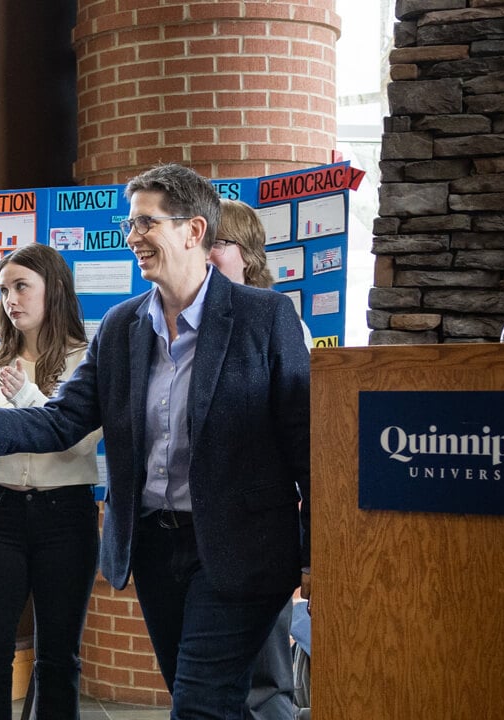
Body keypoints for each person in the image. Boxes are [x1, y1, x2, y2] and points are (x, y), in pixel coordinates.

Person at [0, 164, 311, 720]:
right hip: (156, 550)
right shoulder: (121, 326)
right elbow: (63, 421)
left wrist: (313, 548)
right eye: (129, 225)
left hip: (236, 548)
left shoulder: (266, 317)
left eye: (144, 224)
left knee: (200, 704)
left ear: (193, 231)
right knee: (200, 695)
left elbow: (304, 441)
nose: (132, 237)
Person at [0, 243, 102, 719]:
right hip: (2, 514)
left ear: (53, 289)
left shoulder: (87, 360)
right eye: (3, 290)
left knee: (58, 661)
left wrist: (29, 398)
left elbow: (77, 445)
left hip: (67, 517)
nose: (10, 299)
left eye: (21, 286)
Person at [212, 199, 314, 720]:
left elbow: (303, 442)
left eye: (218, 244)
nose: (206, 256)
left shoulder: (277, 319)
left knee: (266, 685)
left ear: (247, 255)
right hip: (202, 543)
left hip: (259, 538)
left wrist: (310, 548)